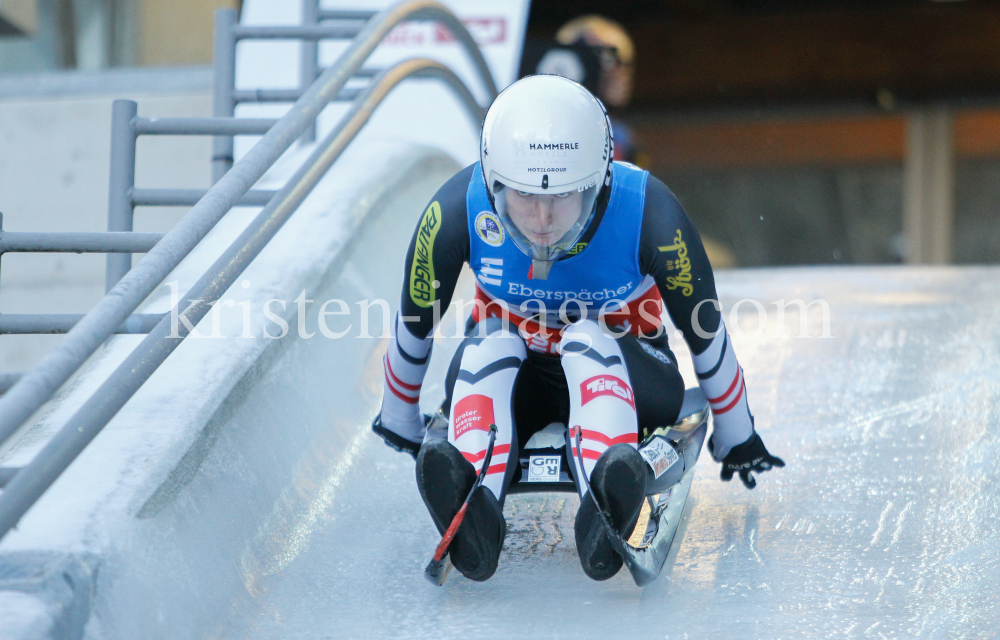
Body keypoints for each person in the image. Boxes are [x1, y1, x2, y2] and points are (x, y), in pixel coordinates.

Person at [372, 75, 783, 583]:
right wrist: (399, 417)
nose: (543, 219)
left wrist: (737, 430)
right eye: (523, 197)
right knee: (490, 342)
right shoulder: (456, 208)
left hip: (630, 374)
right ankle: (474, 504)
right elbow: (416, 317)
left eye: (564, 198)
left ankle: (605, 496)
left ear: (600, 182)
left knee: (587, 338)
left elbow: (705, 333)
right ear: (493, 183)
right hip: (516, 377)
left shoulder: (650, 213)